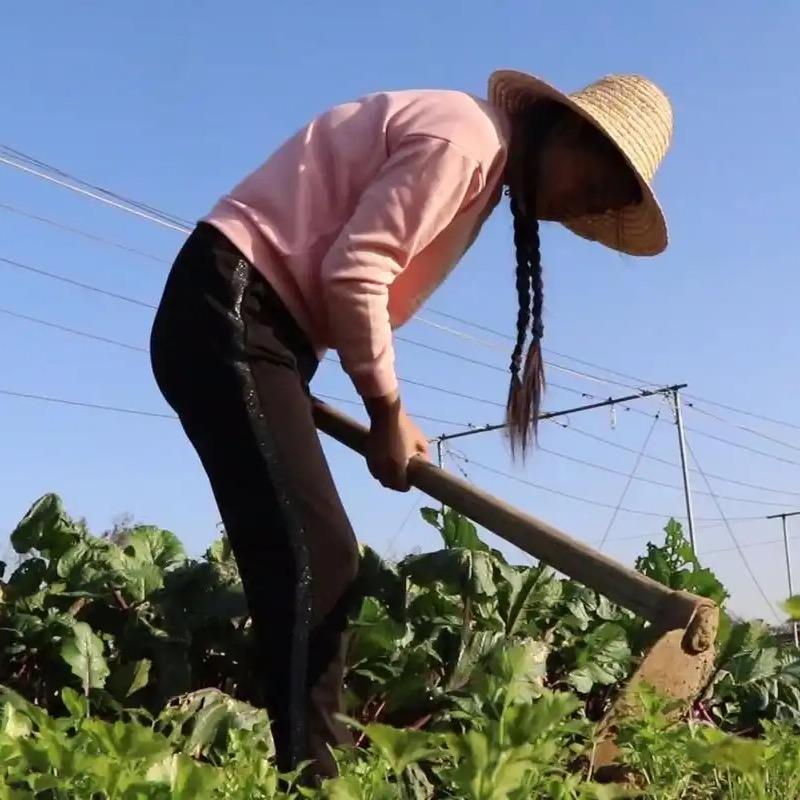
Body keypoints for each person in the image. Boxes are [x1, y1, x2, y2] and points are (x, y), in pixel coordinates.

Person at [149, 69, 673, 779]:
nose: (578, 207)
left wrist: (378, 405)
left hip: (254, 323)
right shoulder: (465, 142)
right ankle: (314, 782)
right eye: (591, 185)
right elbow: (354, 273)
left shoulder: (480, 165)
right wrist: (387, 410)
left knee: (297, 553)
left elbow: (353, 283)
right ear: (571, 132)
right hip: (235, 308)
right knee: (318, 556)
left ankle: (300, 768)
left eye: (599, 205)